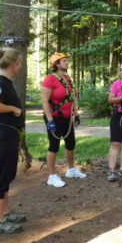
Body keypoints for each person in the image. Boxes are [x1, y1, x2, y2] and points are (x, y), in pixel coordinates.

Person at [0, 47, 26, 234]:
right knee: (0, 179)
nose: (21, 66)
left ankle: (5, 213)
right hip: (2, 137)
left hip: (8, 136)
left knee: (7, 176)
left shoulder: (6, 82)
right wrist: (13, 109)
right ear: (13, 64)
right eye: (19, 63)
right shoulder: (1, 82)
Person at [41, 53, 86, 187]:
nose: (67, 63)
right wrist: (50, 120)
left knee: (70, 143)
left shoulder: (67, 78)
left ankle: (71, 170)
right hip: (54, 117)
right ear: (56, 65)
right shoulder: (50, 79)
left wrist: (76, 114)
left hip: (67, 118)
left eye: (67, 61)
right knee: (54, 146)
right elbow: (44, 101)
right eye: (64, 61)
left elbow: (73, 97)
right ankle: (52, 176)